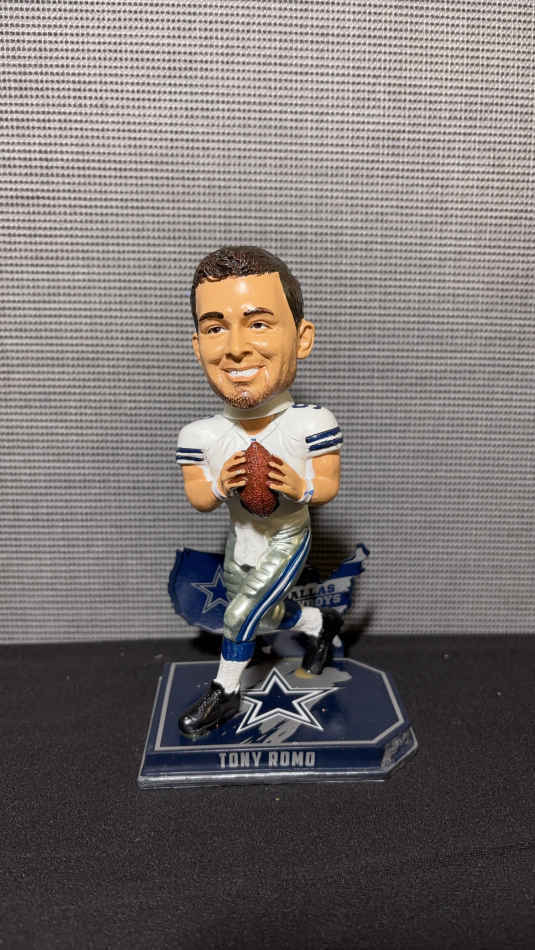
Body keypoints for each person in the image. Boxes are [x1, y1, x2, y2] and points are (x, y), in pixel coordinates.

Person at [176, 246, 343, 736]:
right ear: (197, 345)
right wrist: (218, 484)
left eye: (259, 323)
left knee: (239, 615)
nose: (236, 347)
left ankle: (225, 691)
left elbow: (327, 484)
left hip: (287, 534)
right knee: (266, 617)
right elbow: (199, 499)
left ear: (302, 337)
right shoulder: (200, 435)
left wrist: (300, 486)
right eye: (215, 328)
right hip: (242, 537)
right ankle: (318, 623)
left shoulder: (311, 423)